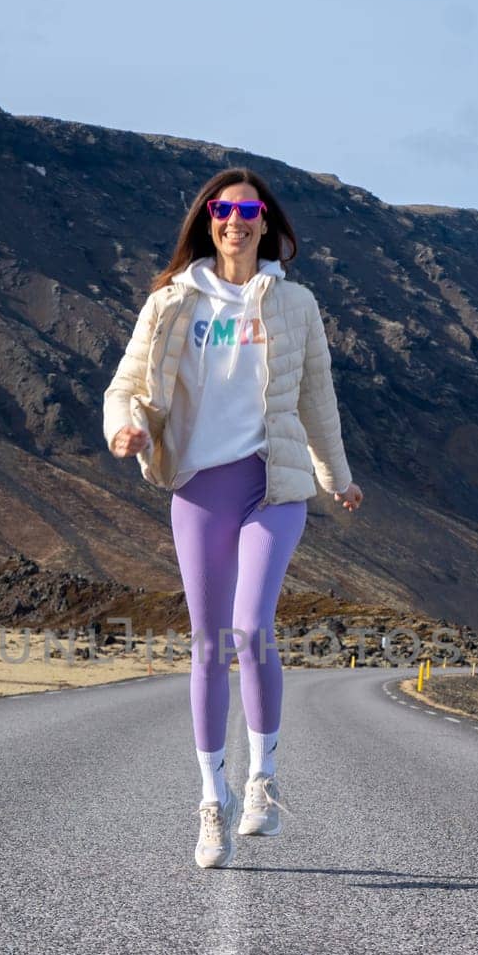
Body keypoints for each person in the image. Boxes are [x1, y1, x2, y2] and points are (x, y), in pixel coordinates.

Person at [102, 167, 363, 869]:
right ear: (207, 219)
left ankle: (262, 780)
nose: (235, 221)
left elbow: (317, 399)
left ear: (267, 223)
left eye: (248, 210)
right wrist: (125, 426)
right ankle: (210, 802)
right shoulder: (172, 303)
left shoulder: (295, 304)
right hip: (198, 485)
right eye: (223, 208)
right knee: (208, 643)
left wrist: (336, 477)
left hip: (272, 484)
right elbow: (126, 385)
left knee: (251, 629)